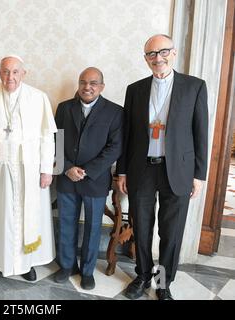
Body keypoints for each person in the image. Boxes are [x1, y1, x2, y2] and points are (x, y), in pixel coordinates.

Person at [116, 34, 208, 300]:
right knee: (142, 226)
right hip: (141, 169)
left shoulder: (194, 87)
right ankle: (143, 274)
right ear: (146, 59)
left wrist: (198, 175)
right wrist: (122, 170)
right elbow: (128, 133)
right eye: (151, 54)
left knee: (171, 230)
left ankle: (163, 282)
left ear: (174, 53)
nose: (158, 58)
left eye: (163, 52)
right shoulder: (135, 89)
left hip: (177, 170)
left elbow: (201, 133)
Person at [0, 55, 57, 281]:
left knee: (26, 216)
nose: (10, 77)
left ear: (23, 73)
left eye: (15, 72)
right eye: (6, 71)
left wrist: (47, 169)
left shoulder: (38, 98)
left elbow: (48, 138)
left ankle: (25, 264)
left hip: (29, 170)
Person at [54, 67, 123, 289]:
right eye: (83, 82)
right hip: (66, 177)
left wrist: (87, 170)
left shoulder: (115, 112)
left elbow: (115, 148)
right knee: (65, 224)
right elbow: (55, 141)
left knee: (93, 227)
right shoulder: (64, 108)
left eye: (93, 83)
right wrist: (67, 168)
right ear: (78, 84)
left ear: (101, 86)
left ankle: (87, 271)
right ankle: (66, 265)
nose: (87, 86)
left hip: (95, 180)